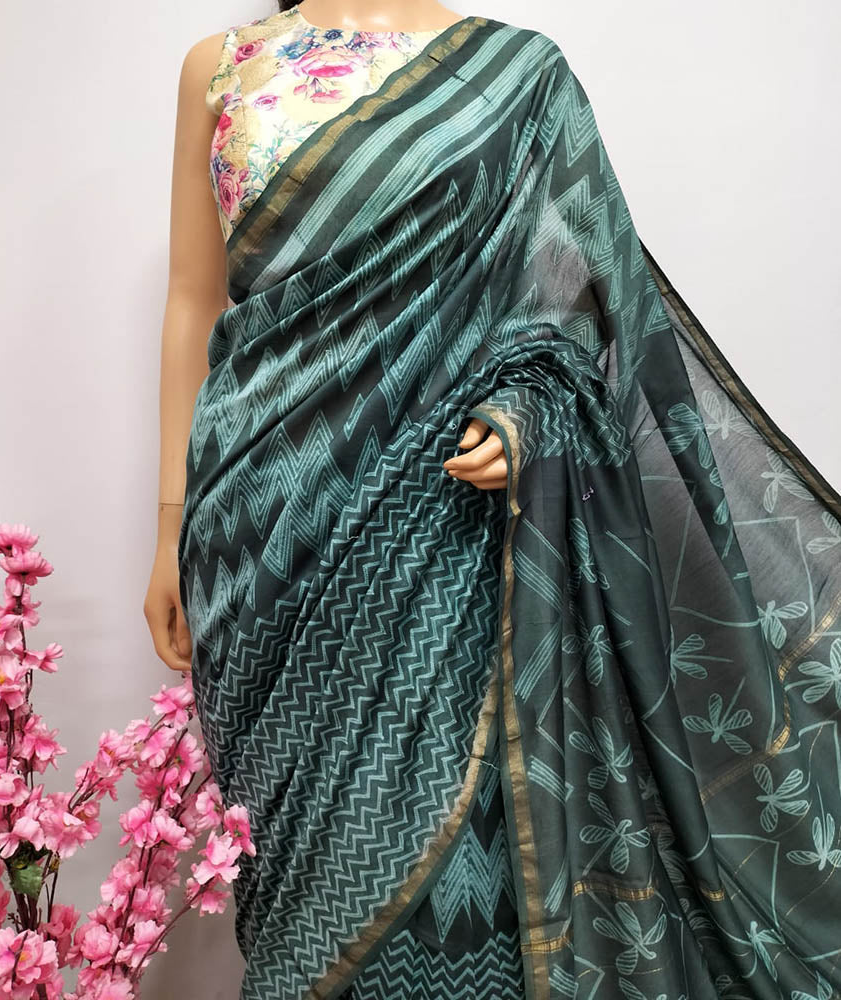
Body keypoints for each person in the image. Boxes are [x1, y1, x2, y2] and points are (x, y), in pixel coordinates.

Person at [143, 3, 841, 998]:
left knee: (450, 858)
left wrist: (529, 412)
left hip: (443, 523)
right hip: (255, 539)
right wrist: (170, 529)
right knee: (294, 871)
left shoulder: (515, 76)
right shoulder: (219, 68)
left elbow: (586, 307)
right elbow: (192, 299)